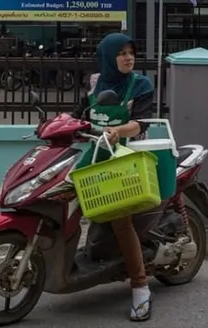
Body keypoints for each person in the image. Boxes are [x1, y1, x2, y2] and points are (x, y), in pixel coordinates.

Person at [72, 32, 156, 321]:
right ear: (109, 57)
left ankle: (140, 287)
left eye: (130, 52)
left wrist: (118, 131)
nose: (128, 57)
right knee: (62, 196)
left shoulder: (140, 84)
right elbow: (80, 116)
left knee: (121, 219)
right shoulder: (96, 83)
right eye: (121, 53)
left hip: (126, 158)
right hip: (97, 153)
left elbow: (140, 123)